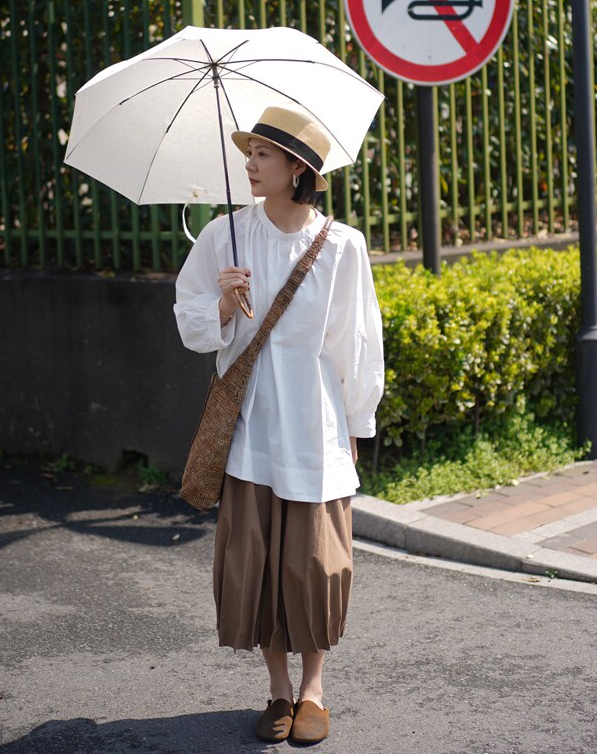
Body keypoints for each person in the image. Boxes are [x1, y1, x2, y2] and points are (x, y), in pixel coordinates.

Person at [174, 106, 384, 744]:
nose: (251, 164)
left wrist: (355, 420)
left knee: (315, 565)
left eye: (264, 154)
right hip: (251, 428)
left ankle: (315, 690)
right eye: (251, 153)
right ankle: (277, 693)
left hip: (314, 421)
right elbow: (191, 326)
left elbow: (356, 342)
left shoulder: (343, 245)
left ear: (300, 168)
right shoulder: (223, 238)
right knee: (257, 562)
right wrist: (222, 303)